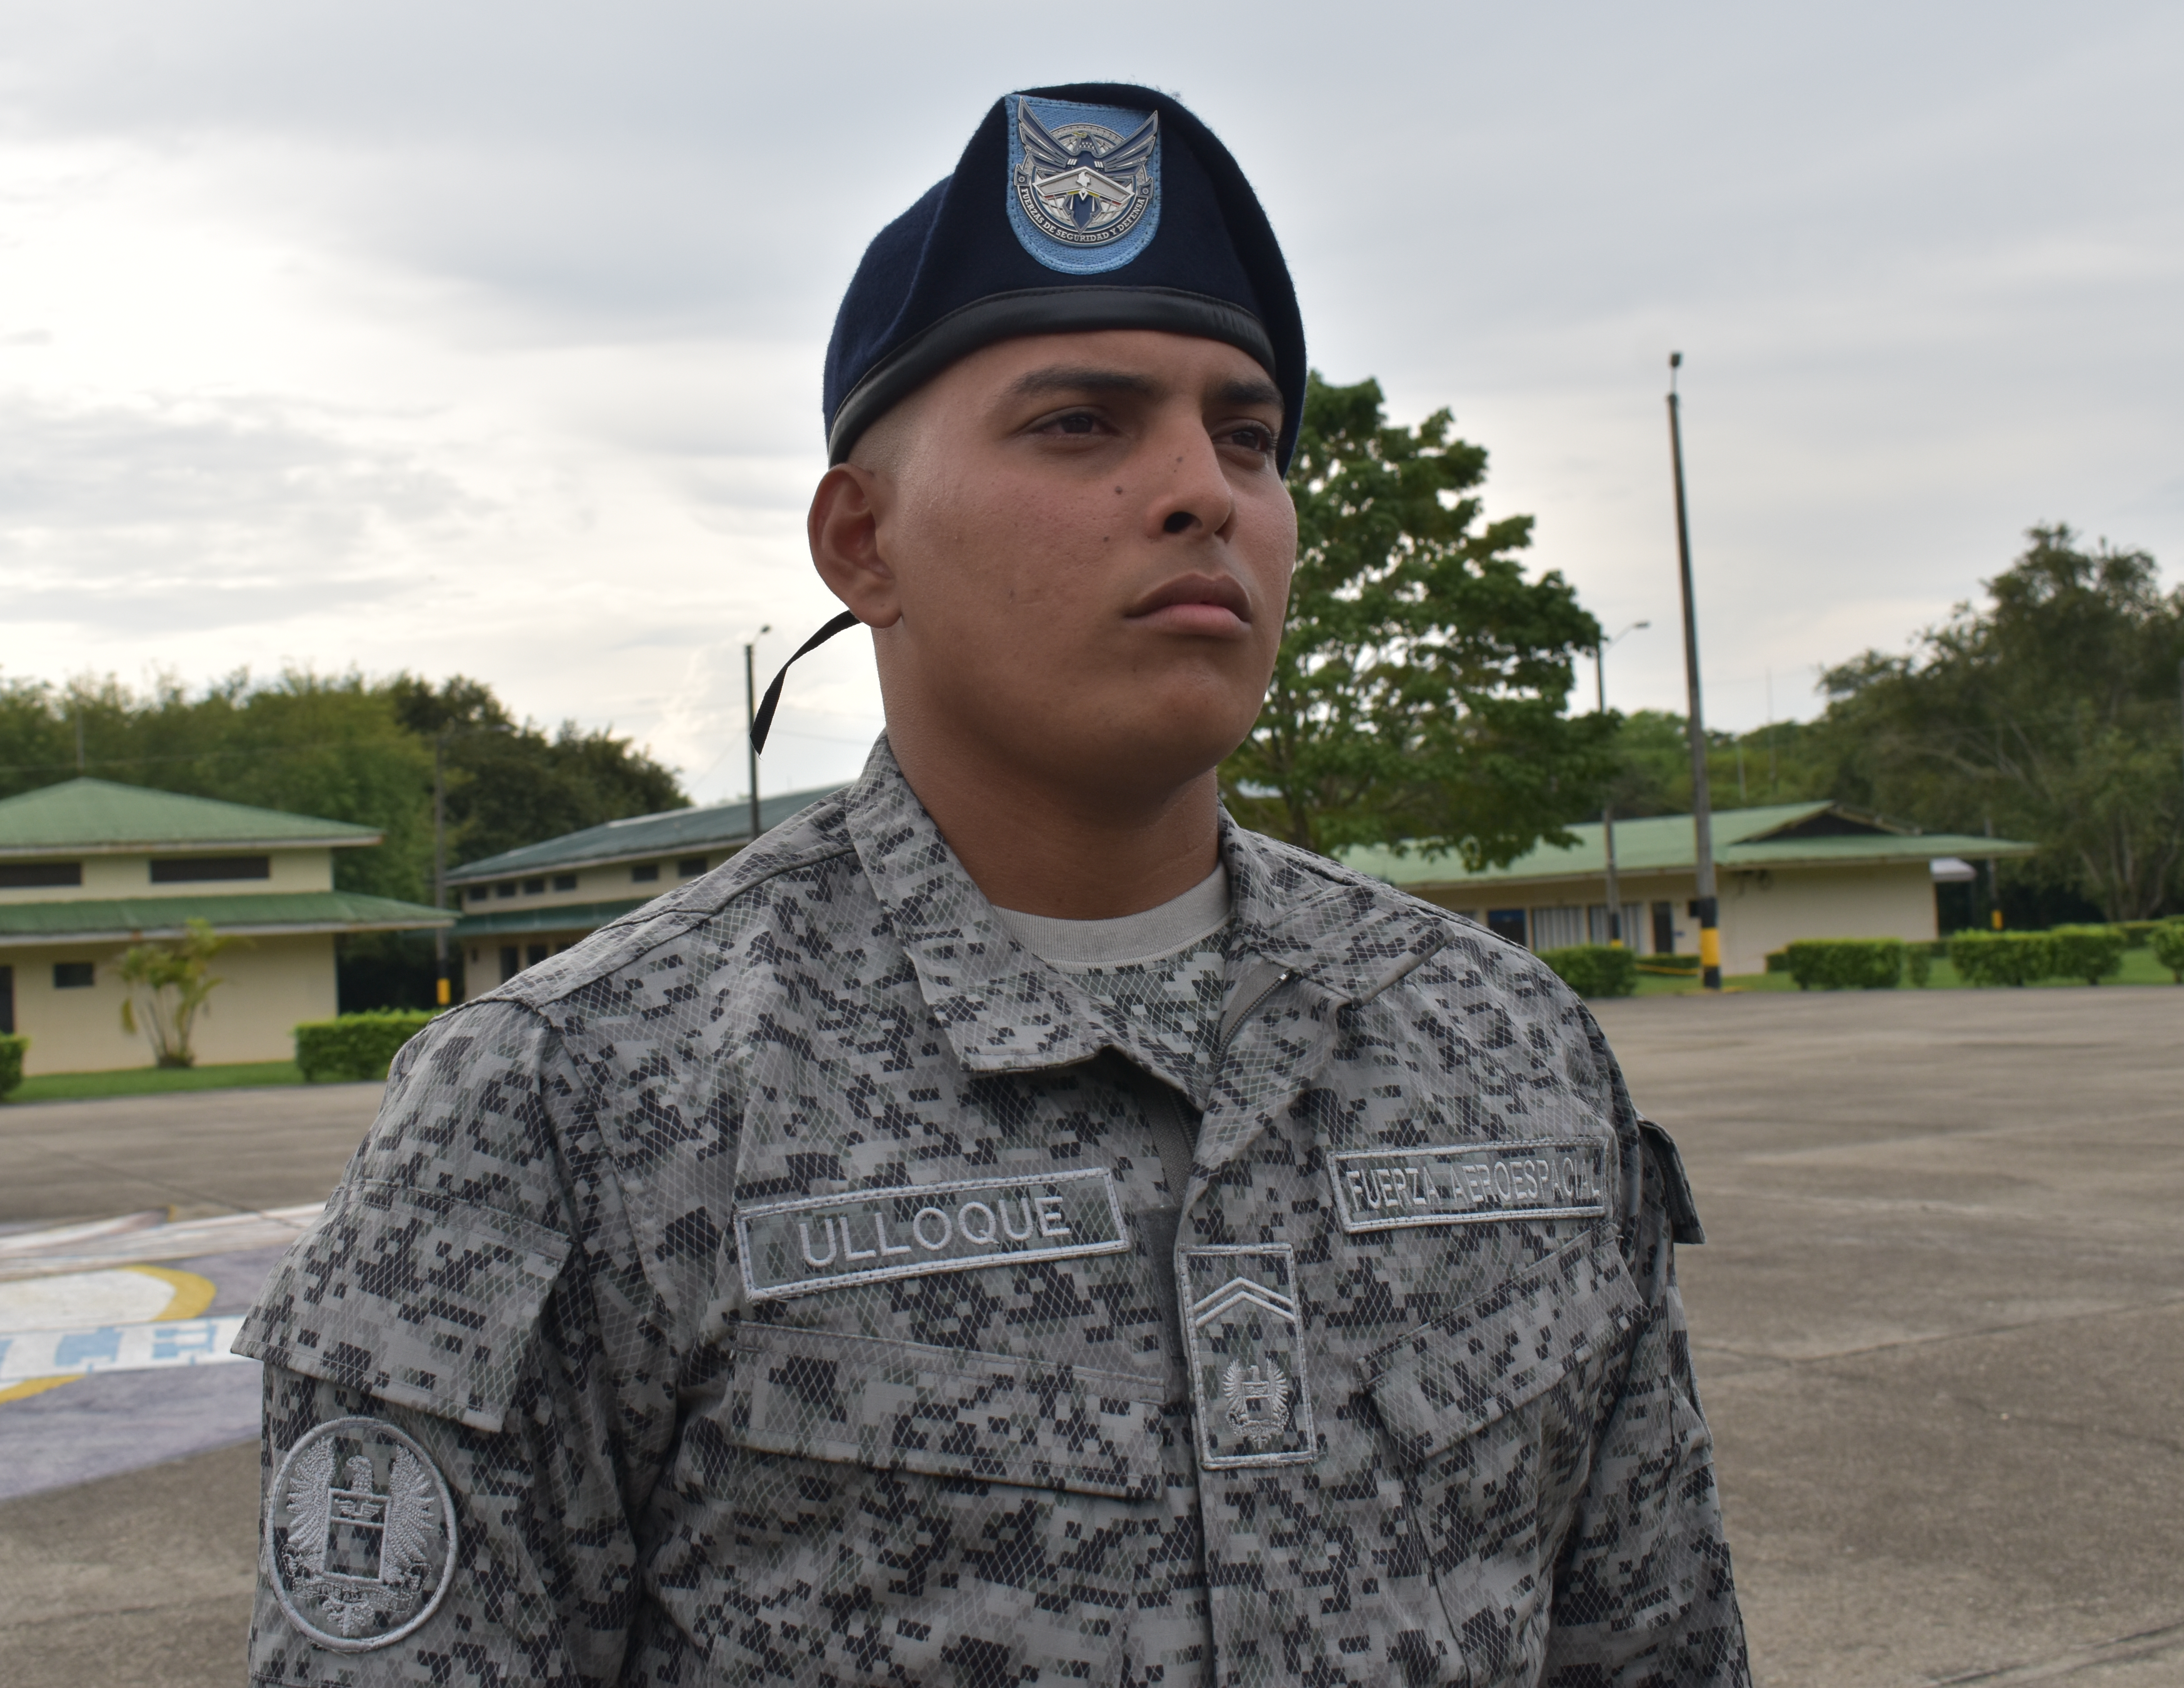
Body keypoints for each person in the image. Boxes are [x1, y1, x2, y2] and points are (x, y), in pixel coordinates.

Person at [238, 83, 1749, 1688]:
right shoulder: (572, 1106)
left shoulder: (1507, 1050)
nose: (1205, 491)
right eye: (1081, 424)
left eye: (1246, 436)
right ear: (860, 540)